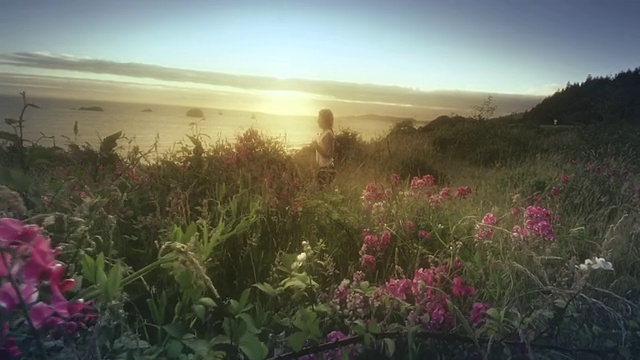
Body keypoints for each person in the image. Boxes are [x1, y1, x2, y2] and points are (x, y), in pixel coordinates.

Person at [314, 109, 336, 189]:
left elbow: (329, 154)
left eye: (319, 118)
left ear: (325, 120)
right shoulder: (325, 133)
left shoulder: (328, 134)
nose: (317, 121)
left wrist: (316, 147)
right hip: (323, 169)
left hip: (327, 169)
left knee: (320, 193)